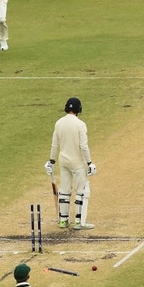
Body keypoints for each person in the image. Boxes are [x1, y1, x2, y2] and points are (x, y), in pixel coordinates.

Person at [45, 97, 96, 229]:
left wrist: (51, 161)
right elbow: (83, 146)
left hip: (63, 160)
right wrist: (90, 162)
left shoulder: (59, 123)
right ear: (79, 109)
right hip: (77, 161)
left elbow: (54, 145)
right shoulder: (80, 124)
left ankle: (63, 220)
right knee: (81, 190)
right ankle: (79, 222)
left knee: (65, 190)